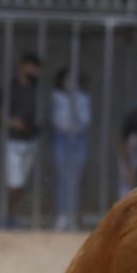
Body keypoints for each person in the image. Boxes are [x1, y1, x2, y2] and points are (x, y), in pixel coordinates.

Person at [0, 53, 42, 228]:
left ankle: (14, 217)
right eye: (32, 66)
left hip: (32, 140)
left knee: (22, 183)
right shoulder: (10, 87)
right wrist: (11, 122)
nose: (35, 70)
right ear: (23, 66)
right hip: (13, 140)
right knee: (14, 182)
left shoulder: (37, 88)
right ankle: (8, 217)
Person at [50, 66, 91, 231]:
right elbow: (56, 120)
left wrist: (73, 101)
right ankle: (62, 216)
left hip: (79, 139)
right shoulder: (56, 97)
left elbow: (85, 121)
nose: (70, 83)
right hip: (61, 138)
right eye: (67, 79)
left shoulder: (83, 98)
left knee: (75, 179)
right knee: (62, 177)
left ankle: (73, 215)